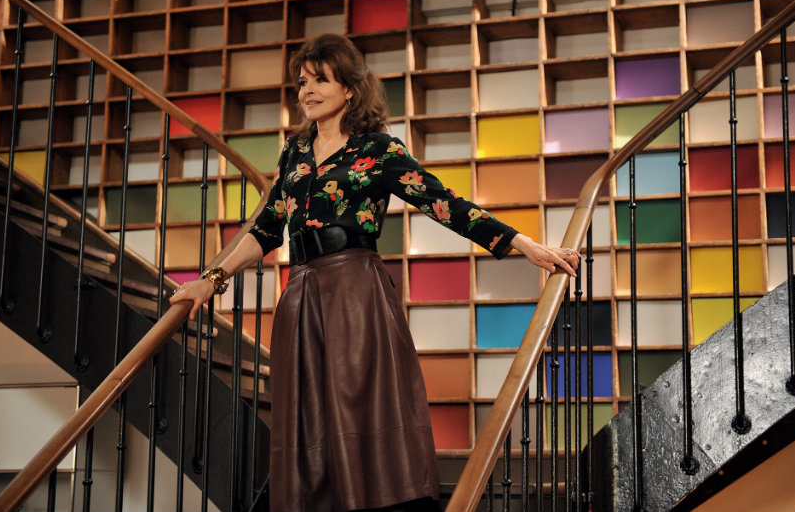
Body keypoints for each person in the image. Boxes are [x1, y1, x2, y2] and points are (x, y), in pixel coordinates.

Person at [170, 33, 581, 512]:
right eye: (302, 82)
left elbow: (444, 204)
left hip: (355, 291)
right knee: (307, 416)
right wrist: (211, 281)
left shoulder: (379, 149)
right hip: (300, 295)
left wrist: (524, 244)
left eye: (319, 80)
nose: (307, 91)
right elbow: (264, 229)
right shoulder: (294, 151)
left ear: (349, 88)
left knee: (358, 408)